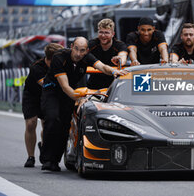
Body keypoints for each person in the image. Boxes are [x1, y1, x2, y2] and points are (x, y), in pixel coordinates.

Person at [39, 37, 127, 171]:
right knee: (52, 119)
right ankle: (46, 157)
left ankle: (54, 160)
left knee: (65, 125)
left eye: (82, 51)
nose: (78, 54)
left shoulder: (86, 57)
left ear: (86, 51)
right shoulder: (59, 57)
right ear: (71, 46)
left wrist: (115, 72)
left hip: (71, 92)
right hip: (53, 91)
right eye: (76, 49)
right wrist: (80, 97)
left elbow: (102, 66)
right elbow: (65, 86)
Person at [22, 43, 64, 167]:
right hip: (33, 95)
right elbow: (46, 85)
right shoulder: (36, 67)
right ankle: (31, 157)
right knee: (31, 123)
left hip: (49, 96)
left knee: (47, 124)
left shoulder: (60, 64)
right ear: (49, 59)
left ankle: (44, 147)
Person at [88, 18, 128, 89]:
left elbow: (123, 57)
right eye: (101, 32)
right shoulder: (91, 44)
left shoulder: (119, 45)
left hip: (114, 85)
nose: (103, 35)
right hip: (94, 84)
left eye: (106, 32)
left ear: (113, 34)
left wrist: (119, 59)